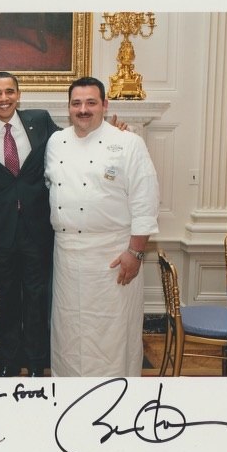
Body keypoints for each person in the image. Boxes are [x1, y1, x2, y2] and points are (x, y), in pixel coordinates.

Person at [44, 76, 160, 377]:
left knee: (112, 333)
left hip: (112, 255)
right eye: (76, 103)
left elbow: (145, 202)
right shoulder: (56, 142)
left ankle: (115, 395)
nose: (83, 109)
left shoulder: (129, 143)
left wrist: (135, 253)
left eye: (91, 102)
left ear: (105, 105)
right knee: (69, 333)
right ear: (68, 108)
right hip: (67, 255)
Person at [0, 71, 59, 377]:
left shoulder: (41, 121)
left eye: (9, 91)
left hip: (37, 228)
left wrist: (108, 134)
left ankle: (35, 365)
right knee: (5, 298)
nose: (3, 98)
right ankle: (8, 363)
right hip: (0, 230)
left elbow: (70, 144)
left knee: (36, 298)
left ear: (18, 95)